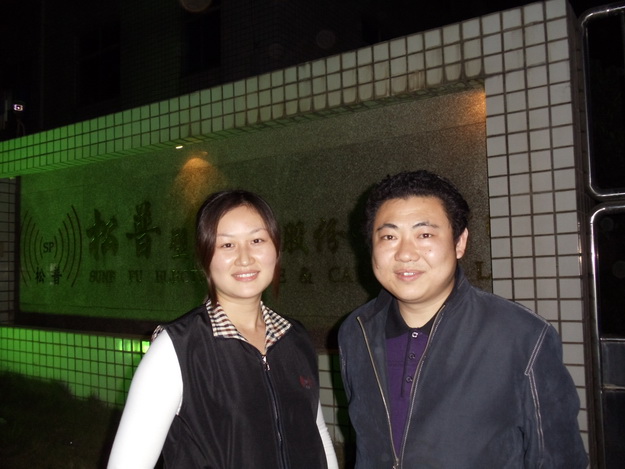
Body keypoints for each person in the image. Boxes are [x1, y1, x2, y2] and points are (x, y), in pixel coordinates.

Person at [338, 170, 588, 468]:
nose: (405, 254)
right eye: (389, 236)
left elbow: (559, 460)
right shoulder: (356, 331)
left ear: (459, 242)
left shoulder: (521, 336)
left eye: (425, 235)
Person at [108, 189, 338, 469]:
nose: (245, 258)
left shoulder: (294, 338)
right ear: (205, 257)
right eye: (227, 245)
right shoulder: (177, 349)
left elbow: (317, 431)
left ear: (276, 248)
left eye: (257, 240)